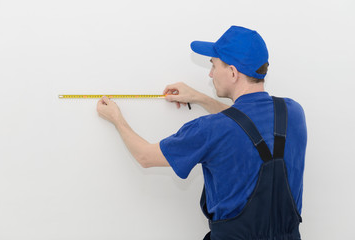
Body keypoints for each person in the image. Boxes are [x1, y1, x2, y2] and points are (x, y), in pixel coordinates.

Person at [97, 26, 307, 240]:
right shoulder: (292, 113)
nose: (210, 73)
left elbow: (145, 156)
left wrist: (116, 118)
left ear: (233, 72)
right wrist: (200, 98)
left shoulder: (210, 129)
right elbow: (246, 125)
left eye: (213, 65)